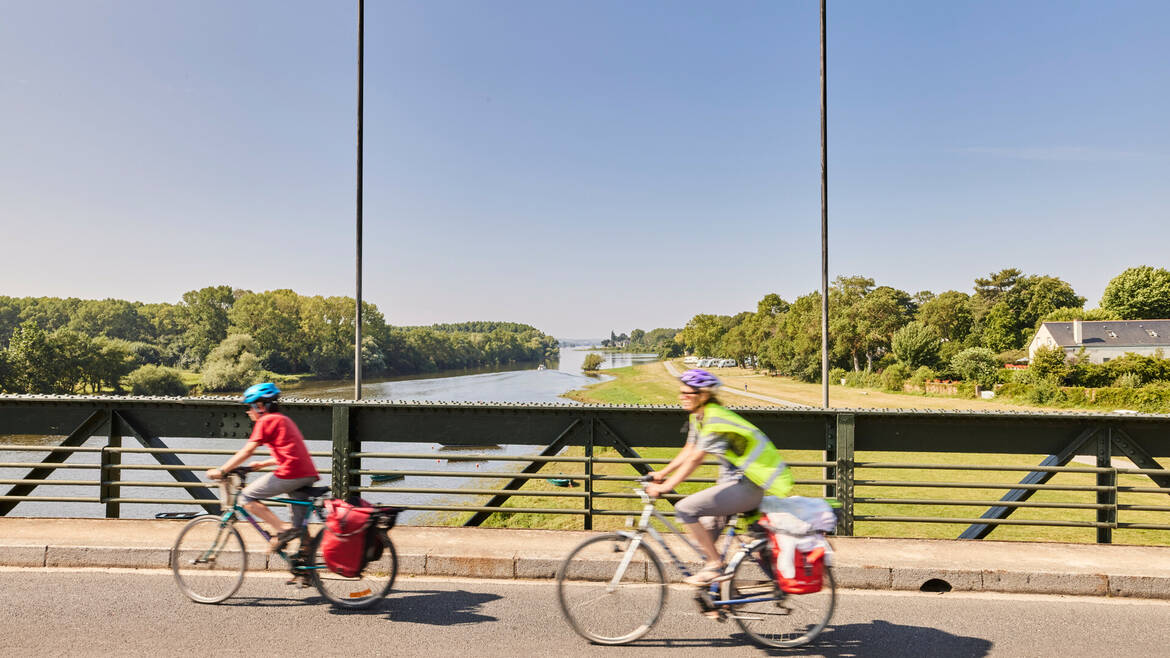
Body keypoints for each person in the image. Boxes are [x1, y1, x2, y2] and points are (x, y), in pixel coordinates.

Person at [646, 369, 792, 585]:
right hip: (733, 483)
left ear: (703, 395)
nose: (682, 396)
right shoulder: (699, 416)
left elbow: (696, 458)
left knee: (685, 509)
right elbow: (689, 448)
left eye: (688, 392)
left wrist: (665, 487)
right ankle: (721, 596)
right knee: (705, 538)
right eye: (681, 392)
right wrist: (661, 473)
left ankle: (716, 567)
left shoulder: (714, 418)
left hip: (747, 486)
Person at [206, 382, 319, 553]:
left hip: (291, 473)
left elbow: (248, 450)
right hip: (306, 474)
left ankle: (282, 531)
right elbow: (290, 452)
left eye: (250, 407)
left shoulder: (266, 420)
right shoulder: (283, 420)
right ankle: (305, 570)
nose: (248, 411)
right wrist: (262, 464)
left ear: (260, 406)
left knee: (245, 498)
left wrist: (222, 471)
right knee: (301, 532)